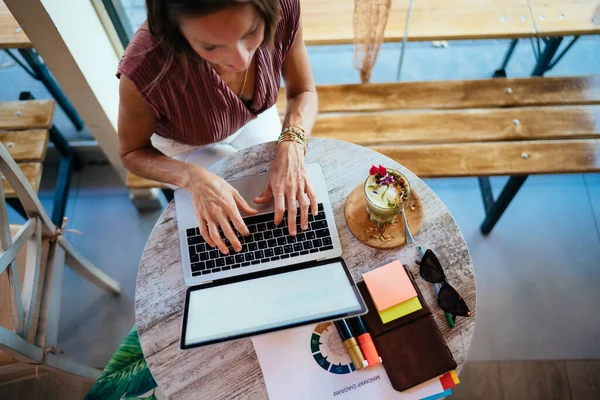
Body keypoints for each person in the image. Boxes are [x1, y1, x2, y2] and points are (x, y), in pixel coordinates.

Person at [117, 0, 318, 256]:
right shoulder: (143, 69)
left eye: (251, 32)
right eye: (211, 47)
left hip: (253, 117)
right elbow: (131, 152)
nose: (242, 60)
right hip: (186, 143)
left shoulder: (283, 6)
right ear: (175, 33)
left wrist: (293, 143)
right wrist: (192, 178)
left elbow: (303, 90)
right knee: (231, 241)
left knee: (282, 209)